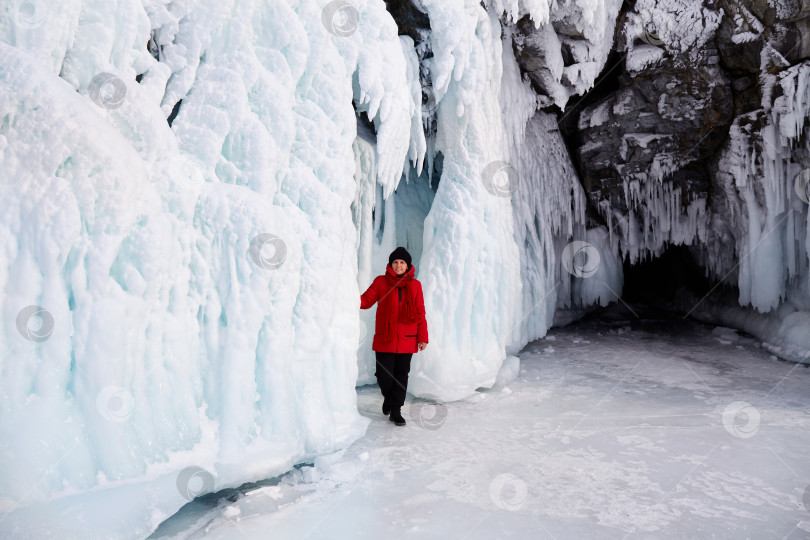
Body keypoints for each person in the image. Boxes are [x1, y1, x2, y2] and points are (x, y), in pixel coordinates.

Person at [360, 247, 428, 426]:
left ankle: (396, 409)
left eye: (402, 262)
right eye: (395, 262)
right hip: (385, 338)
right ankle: (388, 398)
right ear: (390, 264)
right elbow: (366, 301)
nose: (398, 265)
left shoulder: (415, 285)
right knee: (384, 376)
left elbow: (420, 312)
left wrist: (423, 337)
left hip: (408, 338)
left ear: (408, 265)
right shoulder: (381, 282)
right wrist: (348, 296)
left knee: (401, 375)